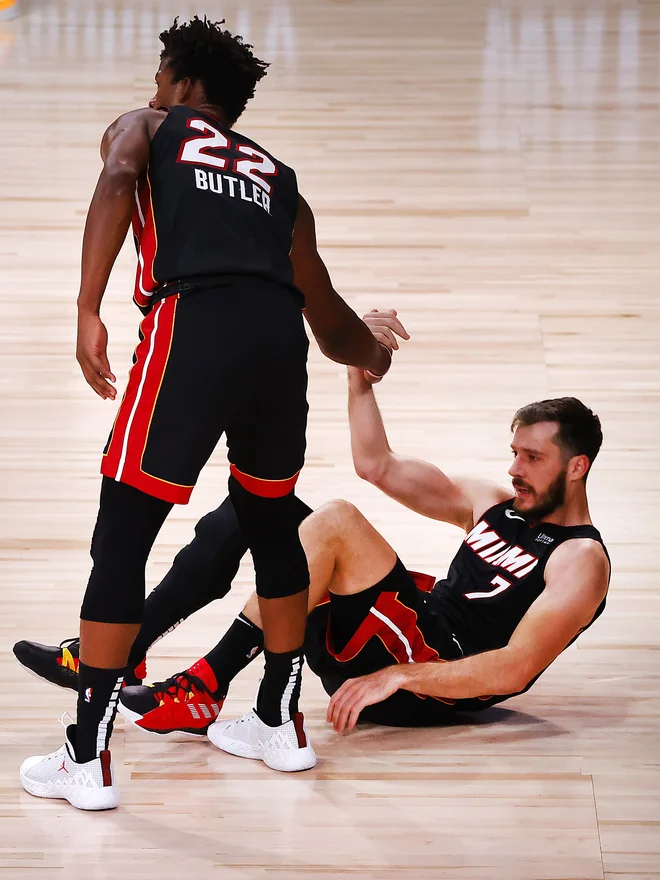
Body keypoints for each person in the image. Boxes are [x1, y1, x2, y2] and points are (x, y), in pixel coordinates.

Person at [18, 18, 396, 811]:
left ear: (182, 85)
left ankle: (85, 755)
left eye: (160, 77)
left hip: (193, 324)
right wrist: (375, 355)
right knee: (270, 526)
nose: (154, 91)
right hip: (277, 341)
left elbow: (119, 178)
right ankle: (277, 722)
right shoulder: (280, 179)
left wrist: (86, 307)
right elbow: (323, 312)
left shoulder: (149, 125)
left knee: (123, 532)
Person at [17, 343, 610, 740]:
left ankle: (205, 684)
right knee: (257, 506)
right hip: (398, 635)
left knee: (335, 521)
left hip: (433, 670)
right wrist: (359, 381)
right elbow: (377, 464)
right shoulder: (498, 505)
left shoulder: (581, 559)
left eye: (532, 458)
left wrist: (400, 678)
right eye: (514, 453)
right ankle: (126, 650)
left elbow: (515, 667)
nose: (515, 468)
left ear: (577, 467)